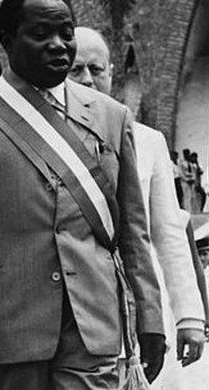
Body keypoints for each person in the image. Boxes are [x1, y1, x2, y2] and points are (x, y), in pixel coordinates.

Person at [0, 0, 166, 389]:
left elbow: (133, 232)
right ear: (7, 39)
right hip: (8, 324)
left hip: (93, 325)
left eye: (65, 33)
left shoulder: (111, 117)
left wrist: (150, 316)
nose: (58, 45)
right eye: (40, 34)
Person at [69, 26, 205, 387]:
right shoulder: (54, 140)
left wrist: (188, 315)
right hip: (78, 310)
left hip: (141, 306)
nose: (87, 79)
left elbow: (169, 233)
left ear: (112, 74)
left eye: (96, 70)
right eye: (75, 69)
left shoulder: (147, 140)